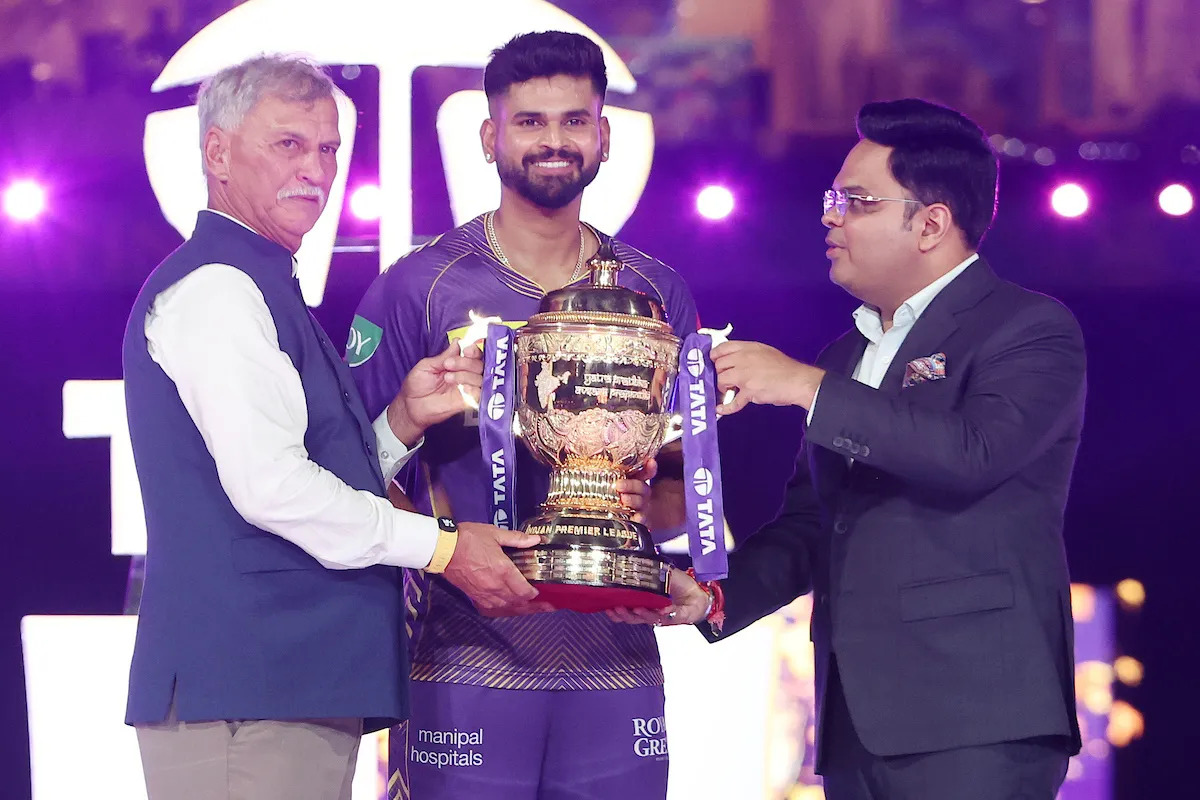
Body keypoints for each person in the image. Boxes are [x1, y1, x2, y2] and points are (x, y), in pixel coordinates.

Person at [636, 98, 1086, 799]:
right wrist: (714, 597)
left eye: (856, 201)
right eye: (831, 198)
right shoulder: (848, 355)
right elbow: (816, 523)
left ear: (931, 222)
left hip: (976, 717)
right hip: (856, 723)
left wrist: (805, 386)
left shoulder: (1027, 329)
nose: (830, 216)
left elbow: (973, 452)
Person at [122, 54, 539, 800]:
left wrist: (401, 422)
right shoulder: (219, 290)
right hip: (248, 693)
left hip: (282, 690)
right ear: (217, 152)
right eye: (289, 144)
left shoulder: (258, 281)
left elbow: (296, 472)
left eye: (329, 148)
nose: (316, 169)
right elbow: (274, 490)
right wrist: (444, 547)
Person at [349, 31, 699, 800]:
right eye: (530, 121)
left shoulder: (656, 296)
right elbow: (347, 474)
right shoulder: (417, 289)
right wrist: (445, 552)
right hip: (461, 655)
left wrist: (649, 507)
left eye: (575, 121)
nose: (554, 141)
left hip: (616, 659)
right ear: (490, 136)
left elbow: (682, 488)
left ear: (603, 135)